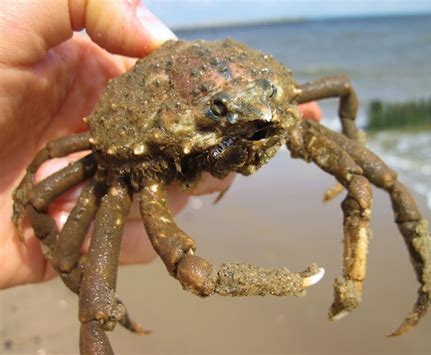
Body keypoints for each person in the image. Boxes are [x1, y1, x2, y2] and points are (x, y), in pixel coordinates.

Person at [0, 0, 321, 290]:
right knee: (96, 305)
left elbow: (344, 91)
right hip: (133, 155)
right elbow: (41, 195)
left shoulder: (262, 102)